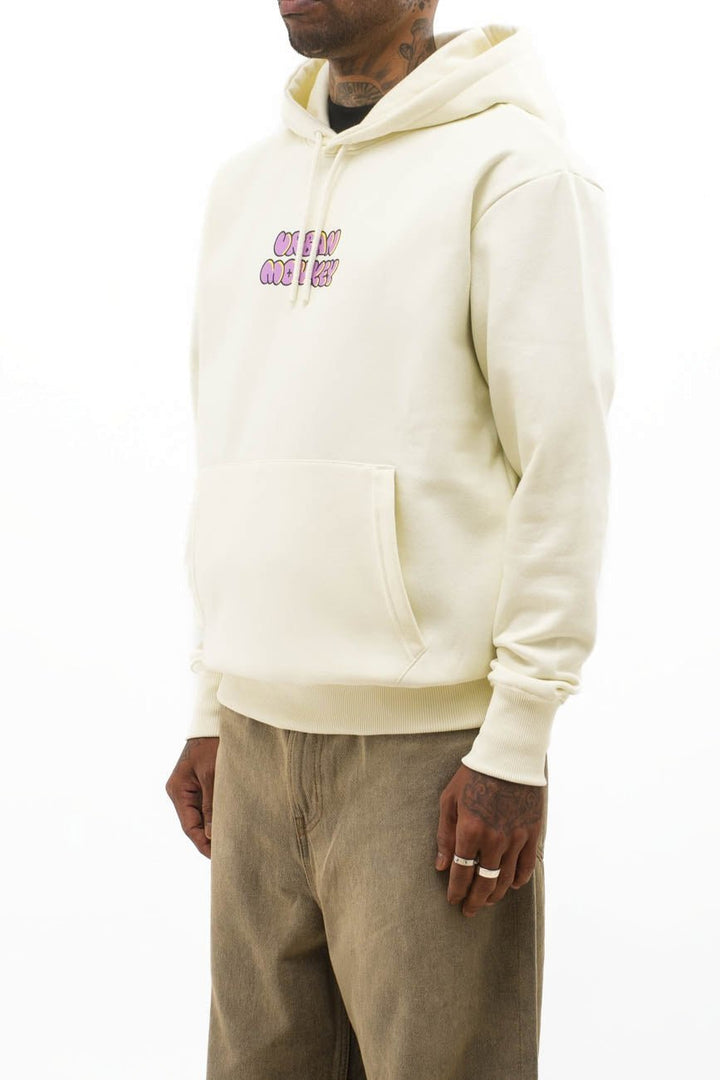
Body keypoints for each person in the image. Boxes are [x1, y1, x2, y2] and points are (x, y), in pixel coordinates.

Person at [165, 3, 615, 1078]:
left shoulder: (515, 174)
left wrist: (515, 741)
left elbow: (563, 467)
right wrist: (212, 701)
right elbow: (232, 445)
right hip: (256, 740)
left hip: (430, 760)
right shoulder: (245, 187)